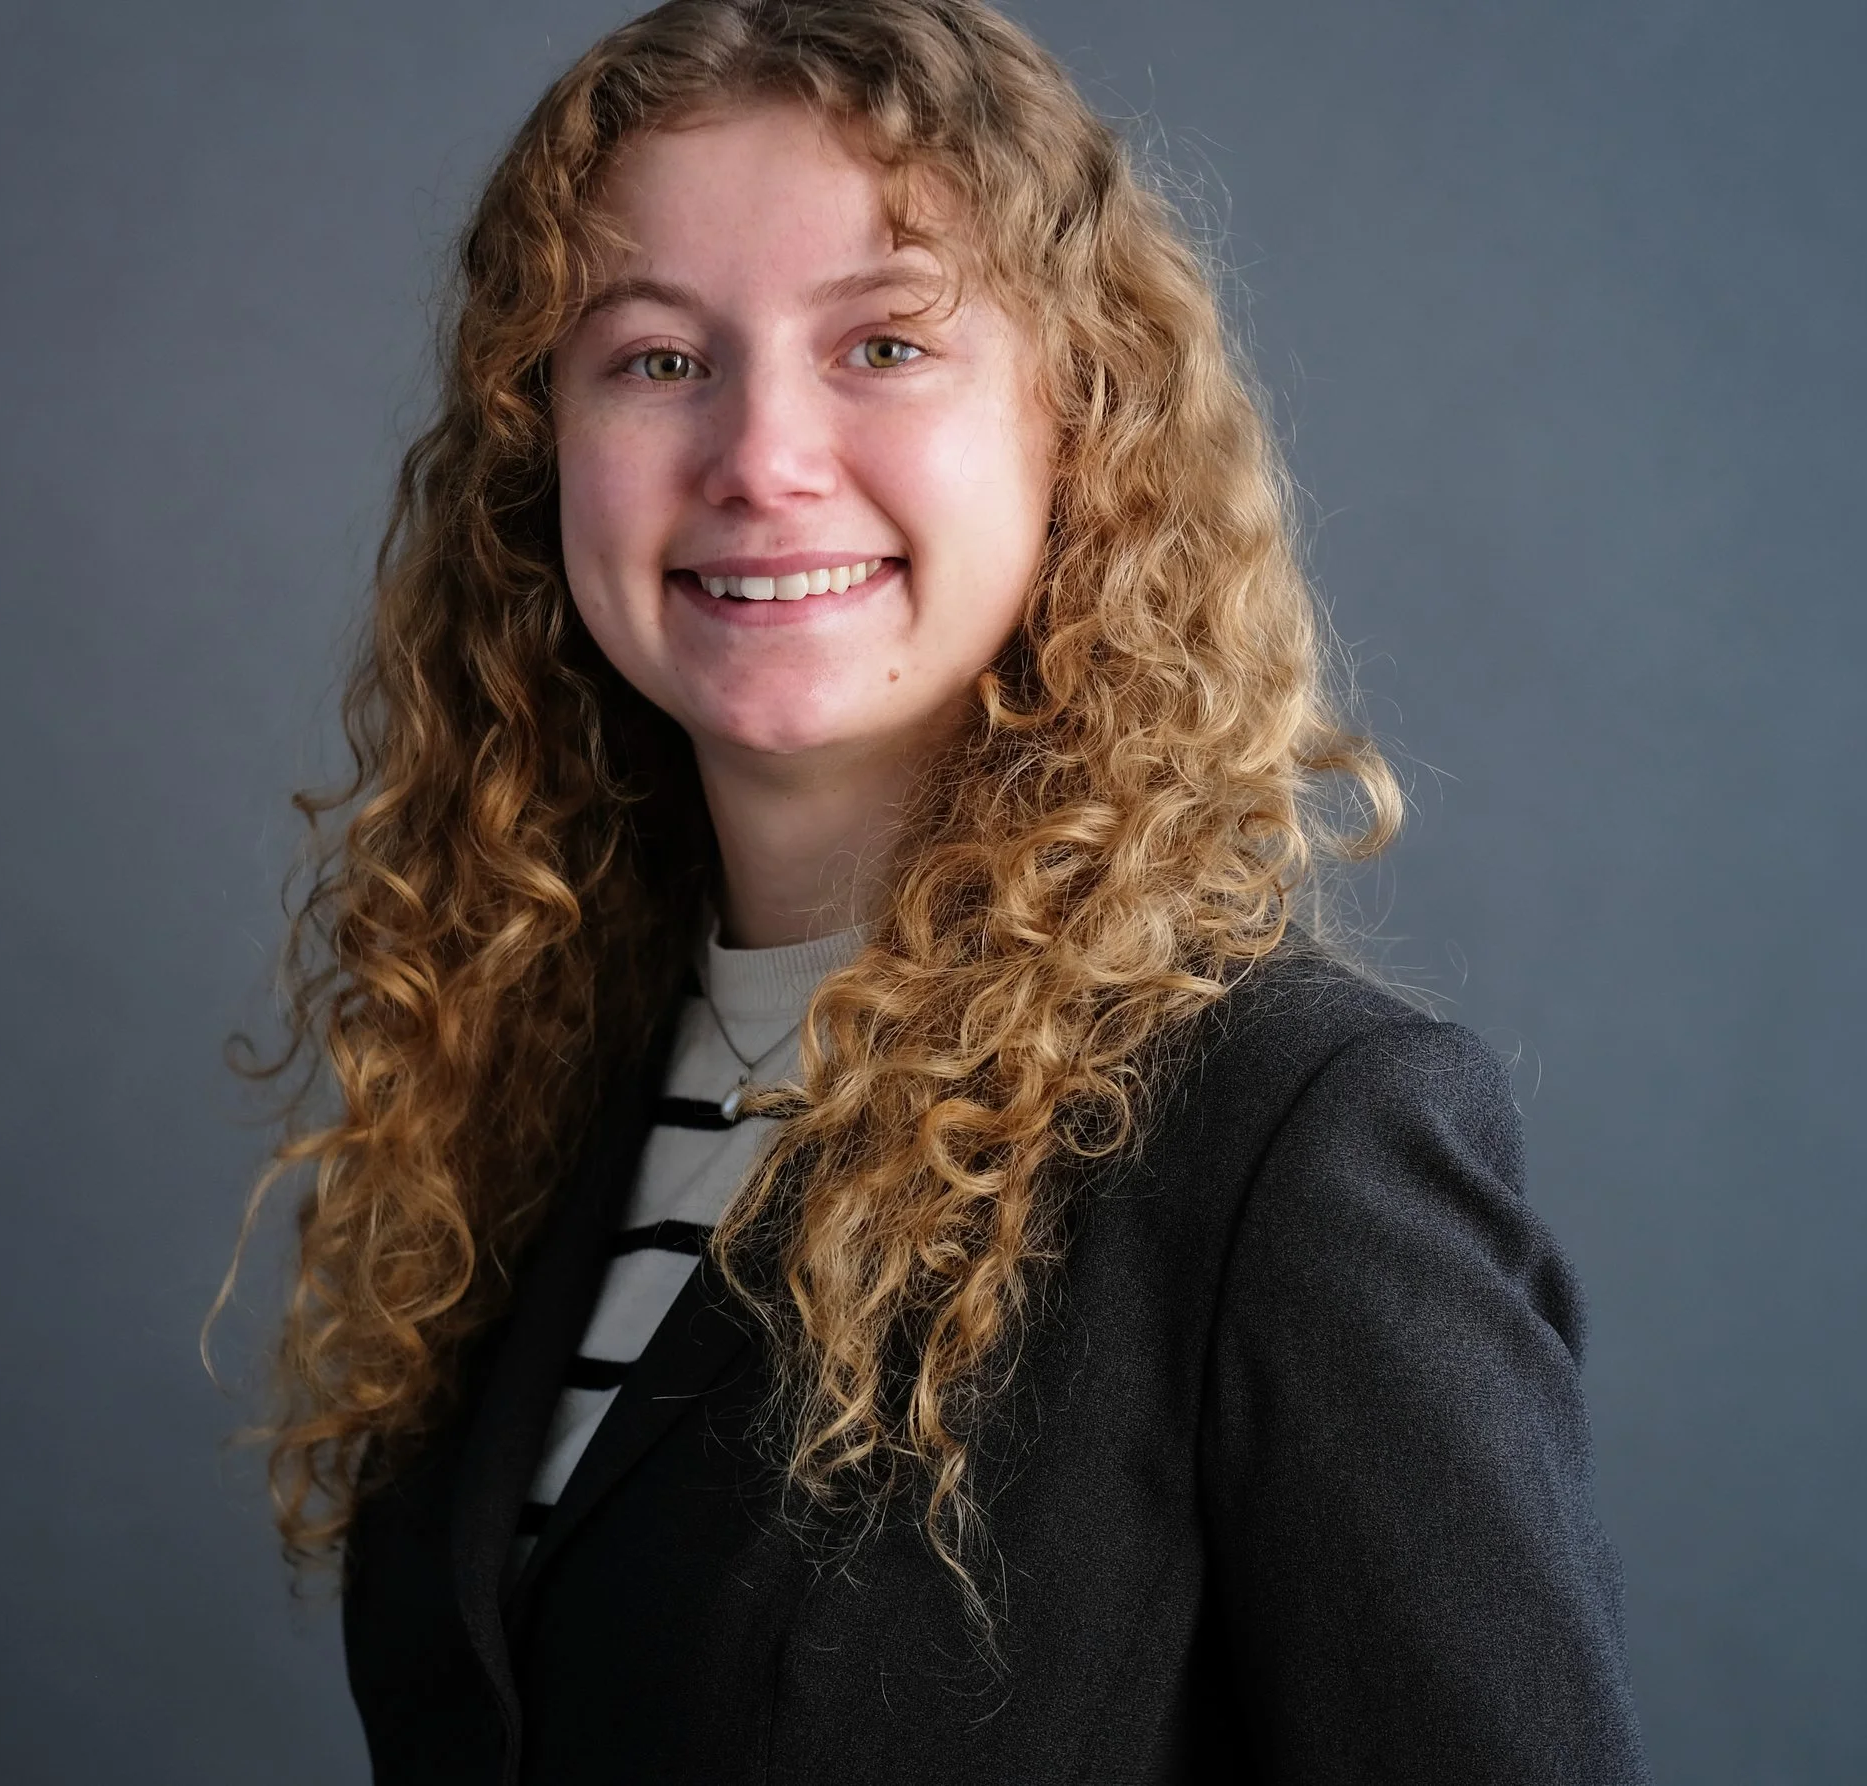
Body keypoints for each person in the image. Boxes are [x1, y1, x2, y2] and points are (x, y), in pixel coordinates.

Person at [226, 1, 1650, 1779]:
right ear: (541, 456)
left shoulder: (1290, 1141)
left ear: (1081, 429)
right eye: (657, 359)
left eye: (886, 344)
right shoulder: (531, 1099)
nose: (760, 456)